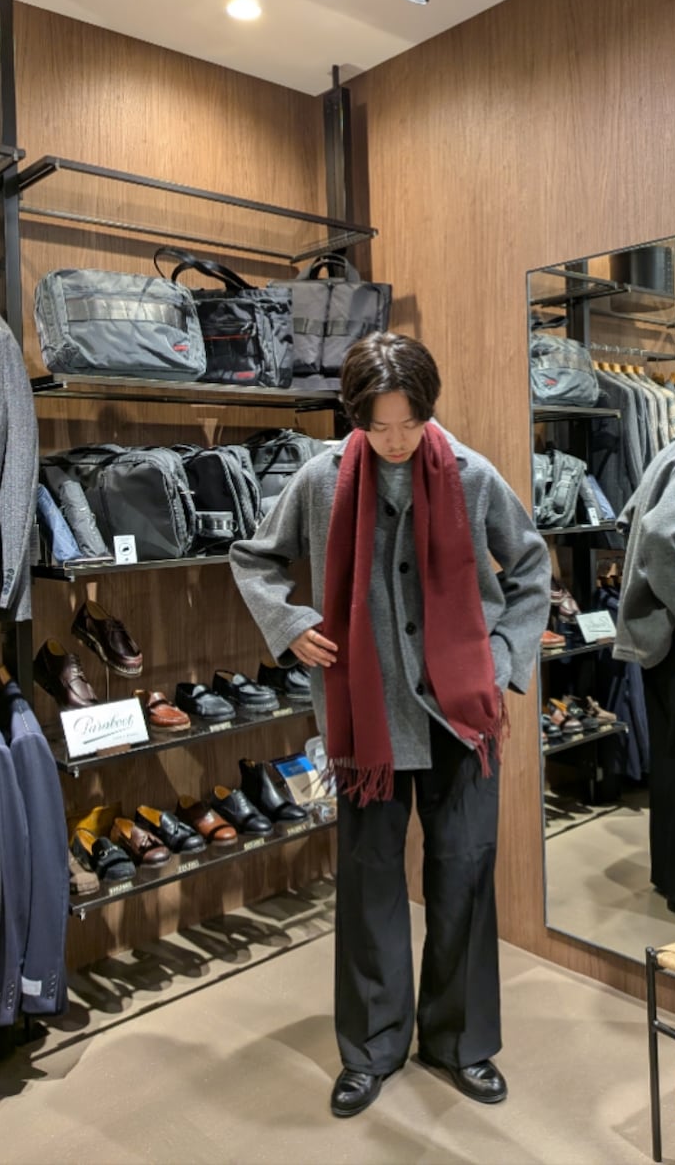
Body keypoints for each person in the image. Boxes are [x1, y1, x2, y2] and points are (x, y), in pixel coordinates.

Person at [231, 331, 551, 1118]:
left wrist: (501, 660)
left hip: (459, 720)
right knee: (371, 880)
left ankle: (460, 1042)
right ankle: (372, 1047)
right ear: (356, 418)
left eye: (410, 423)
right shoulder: (321, 479)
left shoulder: (471, 475)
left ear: (428, 411)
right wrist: (290, 624)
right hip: (365, 722)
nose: (397, 440)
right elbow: (254, 557)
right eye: (379, 426)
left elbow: (532, 566)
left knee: (464, 876)